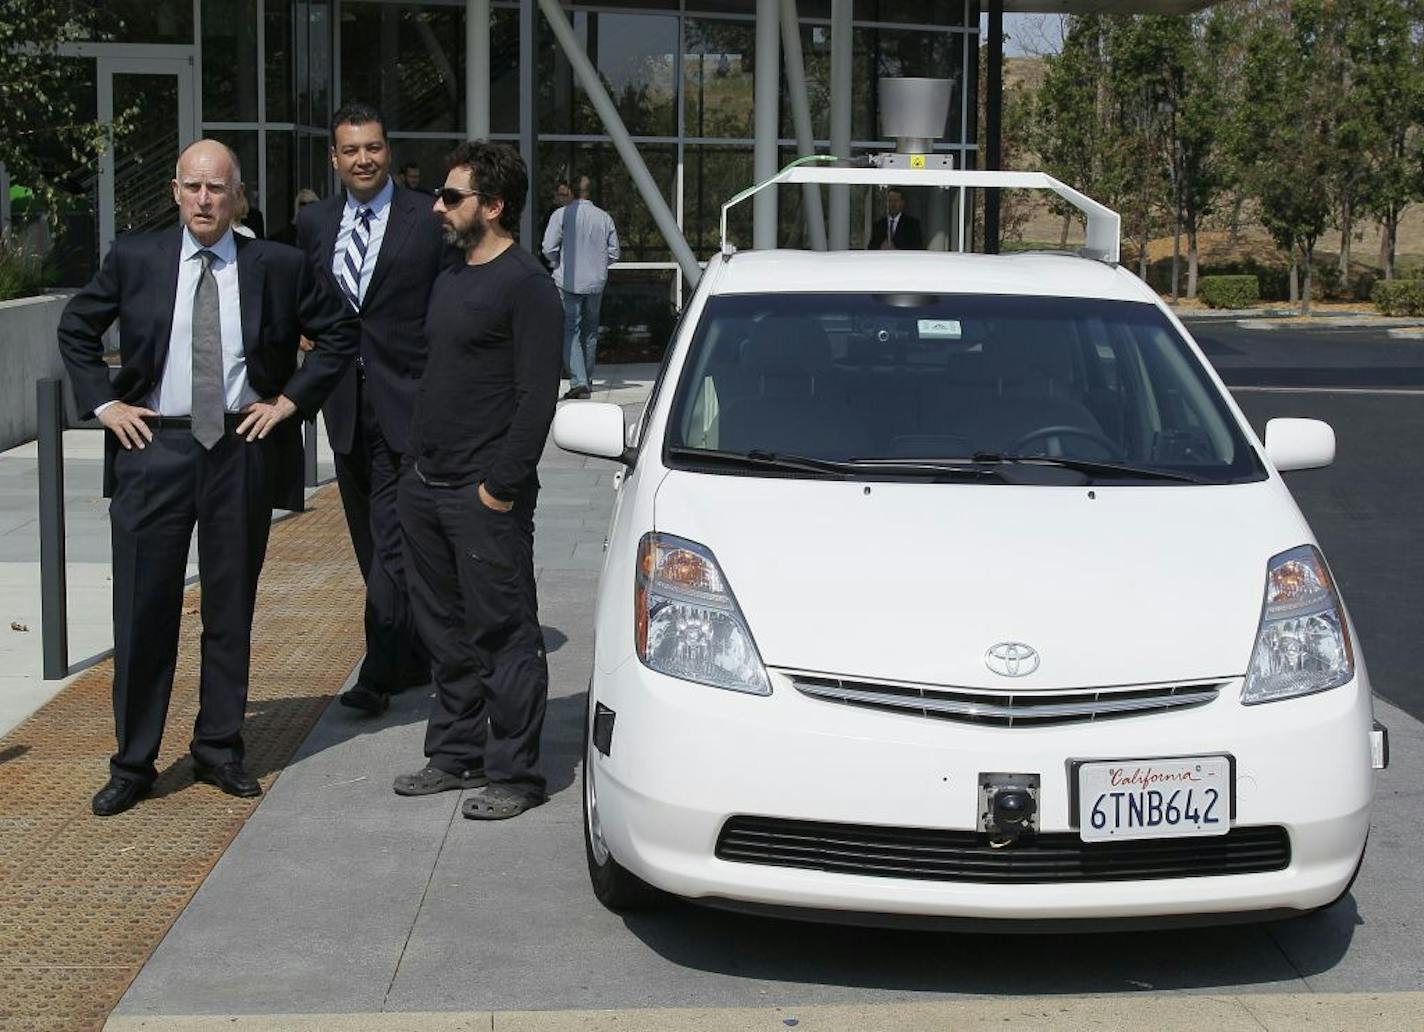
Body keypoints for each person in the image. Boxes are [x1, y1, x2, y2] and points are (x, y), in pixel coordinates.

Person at [57, 140, 358, 817]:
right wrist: (103, 402)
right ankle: (133, 763)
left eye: (216, 189)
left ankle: (219, 747)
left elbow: (338, 332)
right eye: (192, 187)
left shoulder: (275, 265)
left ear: (236, 195)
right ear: (174, 191)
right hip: (153, 451)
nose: (203, 200)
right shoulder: (138, 258)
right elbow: (77, 326)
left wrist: (289, 403)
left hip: (238, 452)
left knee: (229, 610)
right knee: (142, 612)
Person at [393, 140, 562, 820]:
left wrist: (498, 487)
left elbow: (536, 400)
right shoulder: (453, 273)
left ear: (491, 206)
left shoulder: (528, 287)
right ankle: (455, 753)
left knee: (504, 634)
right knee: (442, 631)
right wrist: (413, 470)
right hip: (426, 484)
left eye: (452, 196)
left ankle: (516, 774)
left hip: (482, 495)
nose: (438, 205)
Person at [295, 102, 457, 716]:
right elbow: (303, 296)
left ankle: (380, 667)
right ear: (334, 158)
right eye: (351, 150)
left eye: (374, 147)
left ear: (387, 150)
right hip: (342, 403)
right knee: (370, 538)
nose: (364, 159)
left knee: (392, 536)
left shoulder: (425, 216)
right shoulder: (314, 223)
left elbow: (449, 302)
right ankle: (414, 650)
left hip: (407, 399)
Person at [541, 174, 619, 401]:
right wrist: (599, 265)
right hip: (596, 282)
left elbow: (548, 247)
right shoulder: (604, 218)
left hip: (568, 282)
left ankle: (579, 381)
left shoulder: (561, 215)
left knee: (570, 331)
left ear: (571, 191)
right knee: (590, 331)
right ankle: (586, 378)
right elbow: (614, 252)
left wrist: (556, 264)